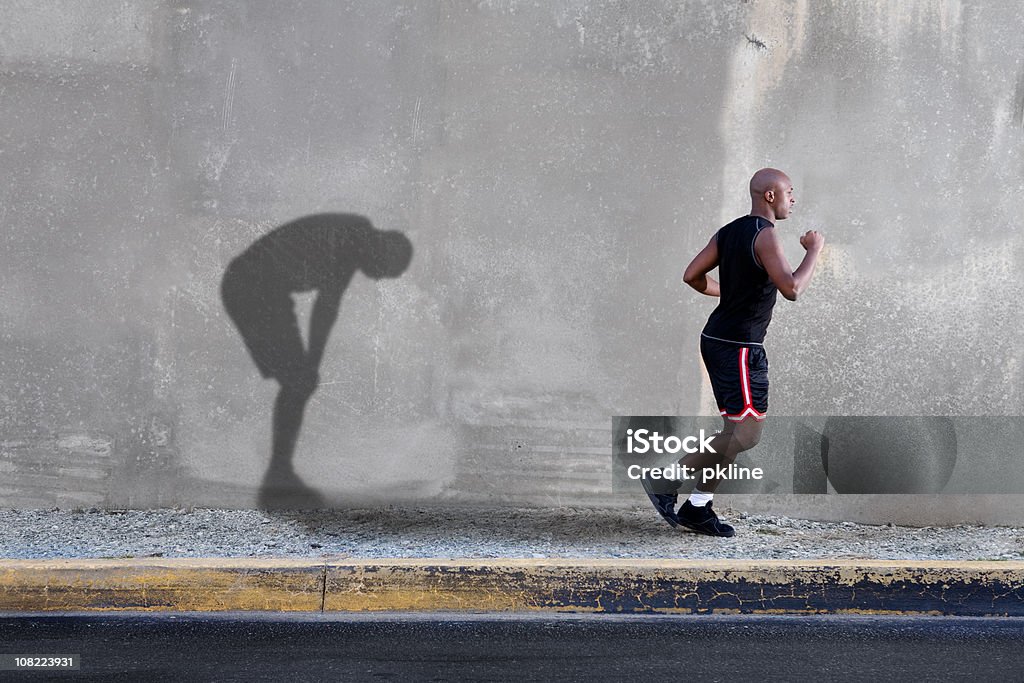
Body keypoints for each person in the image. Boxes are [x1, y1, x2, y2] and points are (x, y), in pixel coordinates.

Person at [642, 168, 824, 536]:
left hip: (719, 338)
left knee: (734, 431)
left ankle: (697, 507)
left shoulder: (730, 231)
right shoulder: (766, 235)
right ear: (769, 196)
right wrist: (814, 251)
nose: (793, 198)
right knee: (746, 435)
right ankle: (665, 479)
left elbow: (692, 275)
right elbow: (791, 289)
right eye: (789, 191)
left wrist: (732, 293)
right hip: (739, 347)